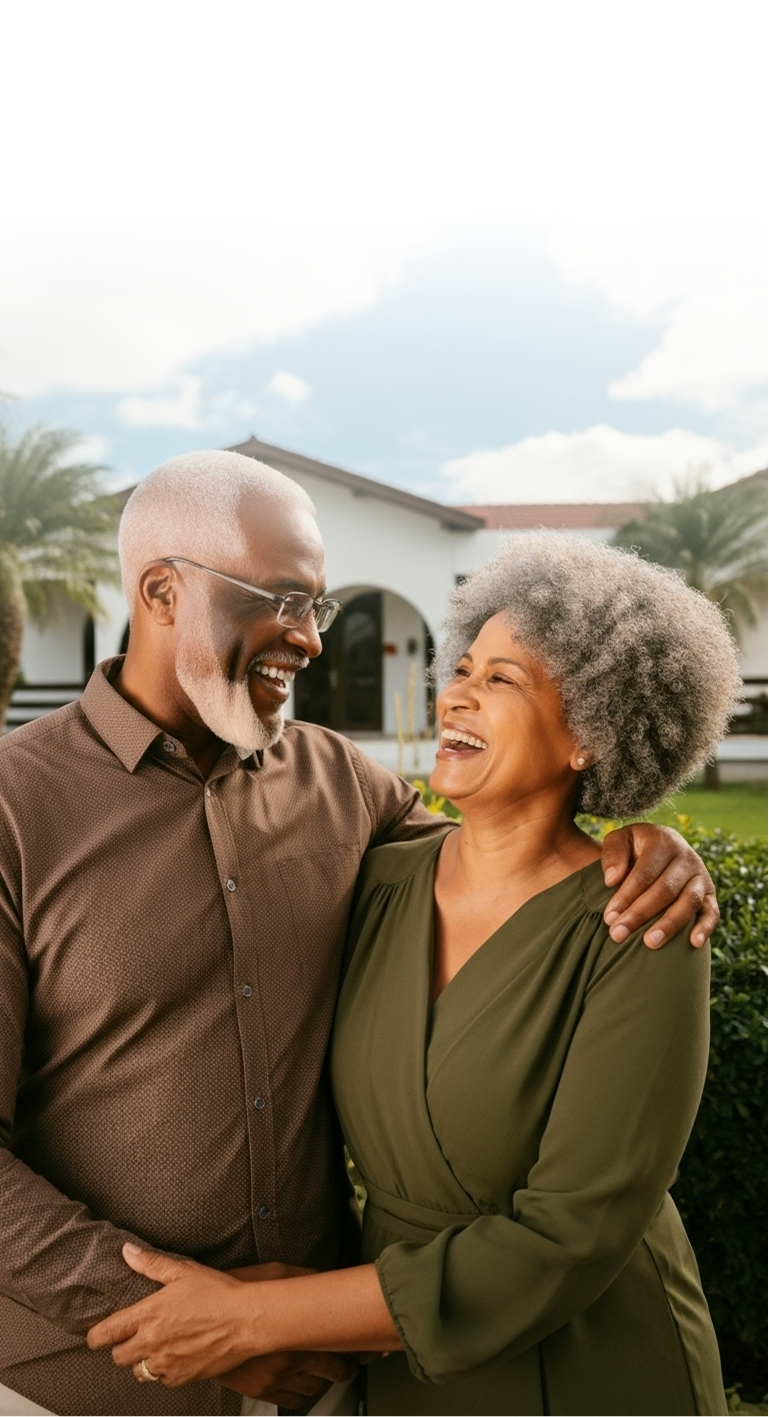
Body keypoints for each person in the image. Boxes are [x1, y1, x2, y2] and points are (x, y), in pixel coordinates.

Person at [0, 452, 719, 1417]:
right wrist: (173, 1315)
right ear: (162, 590)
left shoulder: (348, 791)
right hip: (91, 1378)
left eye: (317, 607)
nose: (307, 638)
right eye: (280, 598)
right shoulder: (13, 807)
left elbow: (515, 867)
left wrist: (654, 844)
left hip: (333, 1373)